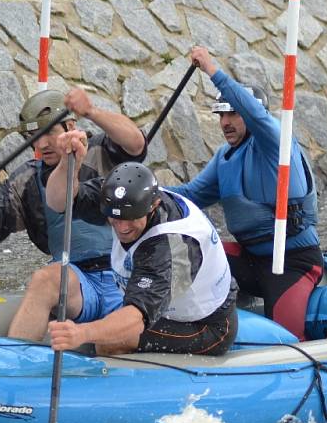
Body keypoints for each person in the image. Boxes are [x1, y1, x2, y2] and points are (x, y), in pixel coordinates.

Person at [0, 88, 147, 341]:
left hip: (126, 277)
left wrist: (90, 110)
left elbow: (135, 143)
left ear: (69, 126)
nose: (40, 144)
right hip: (77, 282)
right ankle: (14, 364)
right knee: (44, 279)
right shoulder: (28, 180)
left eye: (48, 133)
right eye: (33, 136)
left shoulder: (101, 151)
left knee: (115, 345)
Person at [167, 46, 322, 341]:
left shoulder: (274, 142)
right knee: (180, 249)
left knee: (286, 340)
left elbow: (255, 114)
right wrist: (142, 192)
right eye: (221, 115)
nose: (225, 122)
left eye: (234, 114)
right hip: (251, 262)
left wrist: (212, 69)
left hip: (291, 263)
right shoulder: (224, 157)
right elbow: (188, 195)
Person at [44, 147, 239, 356]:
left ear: (153, 206)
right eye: (115, 218)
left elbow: (137, 320)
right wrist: (68, 163)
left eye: (130, 219)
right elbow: (58, 202)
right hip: (164, 309)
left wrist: (81, 334)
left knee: (110, 342)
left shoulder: (172, 246)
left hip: (206, 325)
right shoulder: (118, 197)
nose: (122, 228)